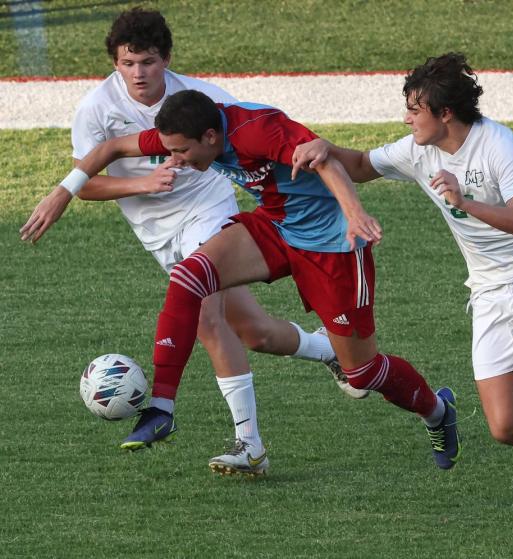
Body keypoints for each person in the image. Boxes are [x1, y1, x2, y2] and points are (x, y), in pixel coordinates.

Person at [290, 53, 513, 551]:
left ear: (444, 113)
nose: (407, 119)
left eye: (414, 109)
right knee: (508, 425)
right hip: (488, 291)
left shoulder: (499, 146)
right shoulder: (419, 149)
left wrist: (464, 202)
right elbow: (363, 165)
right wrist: (326, 147)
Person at [21, 89, 462, 474]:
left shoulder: (259, 131)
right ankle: (162, 406)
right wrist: (65, 190)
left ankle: (437, 411)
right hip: (275, 227)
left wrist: (354, 213)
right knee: (191, 275)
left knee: (362, 373)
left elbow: (322, 158)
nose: (174, 160)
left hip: (333, 246)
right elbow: (112, 148)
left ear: (211, 138)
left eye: (181, 152)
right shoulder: (187, 126)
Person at [34, 8, 370, 475]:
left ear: (165, 59)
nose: (139, 73)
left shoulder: (201, 98)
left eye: (148, 62)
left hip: (208, 209)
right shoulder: (97, 108)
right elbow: (91, 179)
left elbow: (251, 135)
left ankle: (249, 445)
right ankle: (327, 350)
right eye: (128, 63)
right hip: (156, 232)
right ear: (114, 63)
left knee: (208, 317)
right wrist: (133, 186)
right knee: (254, 333)